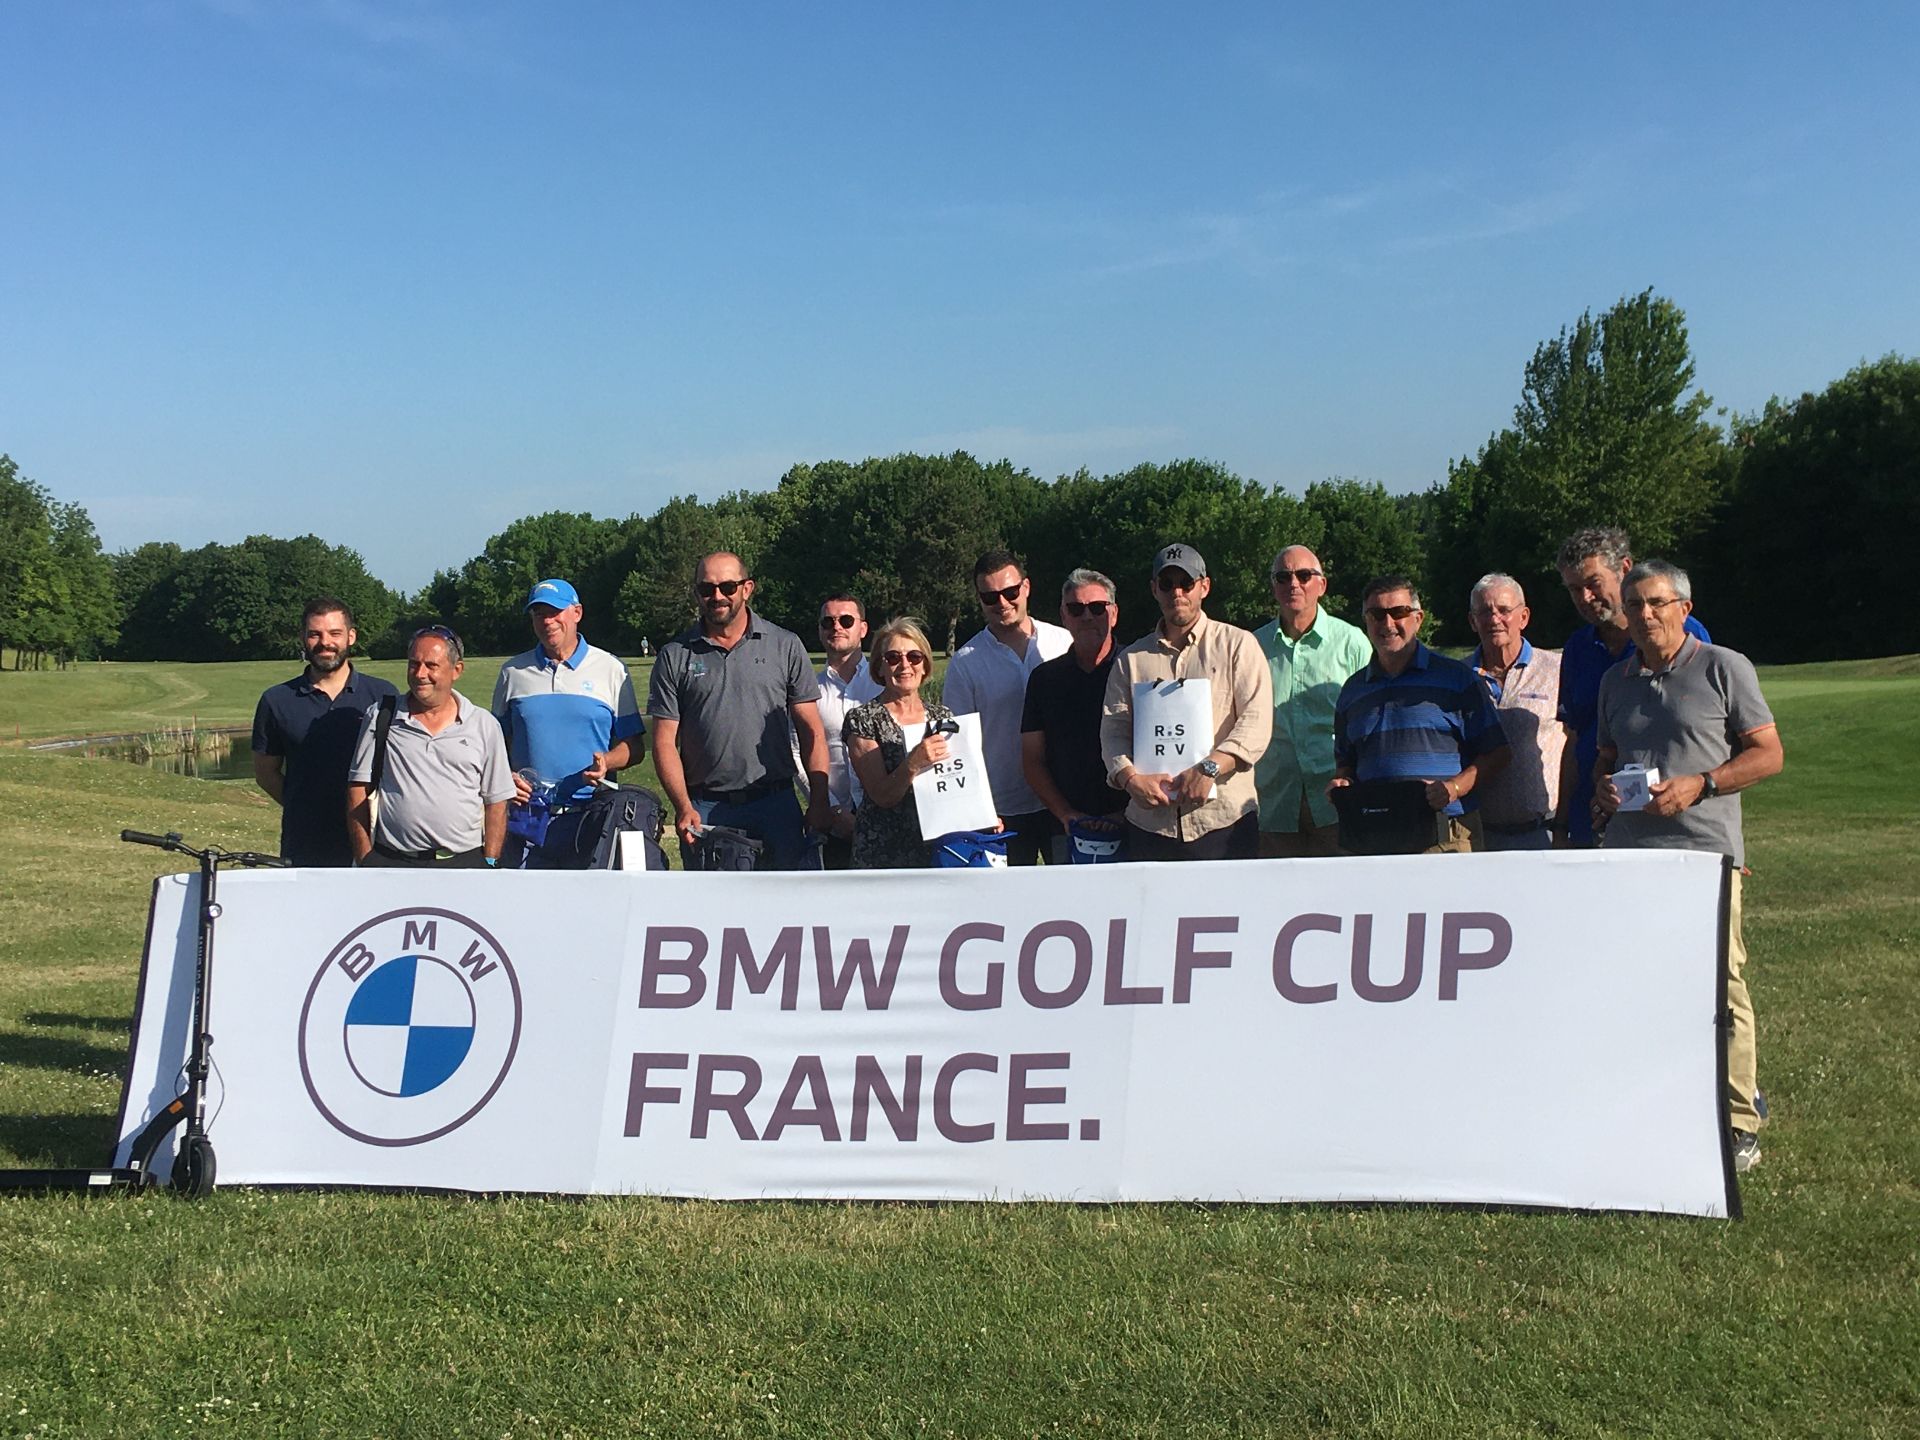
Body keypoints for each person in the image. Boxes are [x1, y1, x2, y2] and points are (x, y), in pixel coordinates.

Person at [1595, 560, 1782, 1172]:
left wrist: (1703, 784)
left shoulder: (1723, 667)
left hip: (1703, 855)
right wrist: (1603, 788)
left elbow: (1768, 754)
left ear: (1683, 606)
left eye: (1656, 602)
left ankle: (1739, 1119)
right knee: (1638, 984)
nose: (1644, 614)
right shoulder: (1615, 680)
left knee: (1720, 985)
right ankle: (1657, 1104)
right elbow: (1605, 757)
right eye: (1633, 604)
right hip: (1628, 855)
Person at [646, 553, 830, 870]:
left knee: (786, 898)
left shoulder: (784, 645)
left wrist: (819, 799)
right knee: (712, 901)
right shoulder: (674, 655)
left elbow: (811, 730)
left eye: (727, 587)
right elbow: (664, 741)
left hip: (775, 805)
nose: (717, 596)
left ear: (747, 588)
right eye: (707, 589)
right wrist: (683, 805)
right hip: (704, 806)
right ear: (697, 593)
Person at [1100, 544, 1272, 861]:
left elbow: (1256, 722)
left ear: (1204, 587)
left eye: (1186, 583)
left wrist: (1209, 768)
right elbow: (1113, 731)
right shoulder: (1131, 660)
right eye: (1167, 584)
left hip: (1223, 822)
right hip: (1150, 826)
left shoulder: (1238, 645)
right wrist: (1130, 778)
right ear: (1154, 589)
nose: (1177, 592)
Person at [1330, 577, 1509, 853]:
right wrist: (1343, 783)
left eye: (1398, 612)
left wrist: (1454, 788)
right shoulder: (1352, 691)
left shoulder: (1457, 679)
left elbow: (1497, 752)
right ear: (1366, 621)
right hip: (1374, 835)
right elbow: (1346, 762)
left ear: (1418, 618)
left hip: (1445, 834)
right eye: (1377, 614)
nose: (1388, 623)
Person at [1557, 526, 1710, 847]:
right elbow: (1574, 739)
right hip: (1591, 819)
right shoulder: (1577, 647)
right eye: (1574, 589)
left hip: (1670, 826)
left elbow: (1711, 735)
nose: (1585, 598)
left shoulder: (1684, 634)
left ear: (1624, 569)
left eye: (1593, 583)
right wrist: (1562, 824)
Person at [492, 578, 645, 868]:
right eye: (539, 614)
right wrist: (506, 776)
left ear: (577, 613)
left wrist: (607, 762)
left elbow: (634, 747)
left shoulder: (610, 669)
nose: (547, 621)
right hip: (527, 819)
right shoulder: (512, 672)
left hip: (591, 818)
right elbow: (495, 746)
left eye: (555, 612)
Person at [941, 549, 1071, 865]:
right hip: (1002, 810)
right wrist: (977, 809)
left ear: (1026, 587)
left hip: (1062, 800)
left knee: (1068, 890)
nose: (1002, 603)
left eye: (1010, 592)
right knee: (1008, 896)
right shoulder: (966, 662)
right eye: (990, 597)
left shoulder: (1063, 642)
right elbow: (958, 744)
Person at [346, 626, 513, 868]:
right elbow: (358, 788)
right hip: (393, 861)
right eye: (414, 664)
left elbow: (496, 801)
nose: (420, 674)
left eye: (431, 665)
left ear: (457, 670)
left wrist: (489, 860)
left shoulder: (483, 724)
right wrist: (366, 857)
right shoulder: (382, 716)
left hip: (463, 863)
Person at [251, 598, 400, 867]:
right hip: (306, 844)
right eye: (315, 634)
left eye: (334, 633)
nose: (325, 642)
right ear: (303, 638)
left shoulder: (384, 695)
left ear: (351, 637)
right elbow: (265, 773)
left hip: (376, 840)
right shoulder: (276, 700)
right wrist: (302, 805)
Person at [1252, 545, 1372, 857]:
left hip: (1337, 800)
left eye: (1304, 575)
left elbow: (1370, 720)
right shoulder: (1253, 647)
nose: (1293, 584)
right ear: (1273, 586)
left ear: (1322, 584)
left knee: (1342, 886)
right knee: (1276, 888)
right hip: (1274, 800)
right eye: (1283, 577)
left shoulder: (1351, 643)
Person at [1021, 569, 1128, 859]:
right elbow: (1032, 759)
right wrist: (1066, 814)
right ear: (1064, 616)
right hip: (1067, 828)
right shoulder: (1044, 679)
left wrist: (1128, 813)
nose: (1087, 617)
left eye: (1097, 608)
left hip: (1134, 826)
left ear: (1114, 614)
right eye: (1076, 609)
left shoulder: (1138, 670)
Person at [842, 618, 958, 869]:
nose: (905, 665)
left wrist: (981, 817)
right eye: (893, 657)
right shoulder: (862, 720)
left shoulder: (943, 717)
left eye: (914, 657)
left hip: (937, 851)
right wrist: (913, 763)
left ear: (925, 665)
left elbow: (958, 784)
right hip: (883, 854)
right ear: (879, 667)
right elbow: (882, 795)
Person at [1465, 574, 1568, 851]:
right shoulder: (1458, 677)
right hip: (1478, 835)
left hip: (1545, 831)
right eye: (1484, 612)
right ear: (1472, 621)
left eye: (1503, 610)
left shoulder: (1558, 669)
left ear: (1523, 617)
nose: (1494, 619)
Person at [803, 592, 884, 869]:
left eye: (846, 620)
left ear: (863, 628)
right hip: (831, 821)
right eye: (828, 622)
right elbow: (796, 751)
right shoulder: (808, 691)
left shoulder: (884, 684)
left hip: (885, 813)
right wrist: (830, 808)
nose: (836, 627)